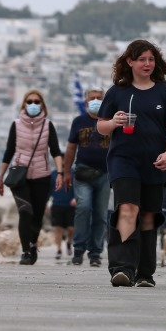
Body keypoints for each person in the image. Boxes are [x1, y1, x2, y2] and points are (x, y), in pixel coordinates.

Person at [98, 39, 166, 288]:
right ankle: (122, 268)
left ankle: (145, 273)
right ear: (130, 62)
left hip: (155, 162)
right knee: (127, 208)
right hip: (123, 160)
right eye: (142, 59)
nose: (147, 64)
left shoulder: (164, 91)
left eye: (151, 59)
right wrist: (113, 122)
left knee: (148, 215)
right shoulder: (117, 91)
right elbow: (101, 126)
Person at [0, 89, 65, 265]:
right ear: (24, 105)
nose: (33, 105)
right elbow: (8, 151)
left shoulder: (48, 125)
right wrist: (0, 177)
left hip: (42, 175)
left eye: (37, 101)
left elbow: (56, 151)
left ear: (42, 105)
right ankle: (26, 250)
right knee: (25, 211)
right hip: (19, 175)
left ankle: (33, 244)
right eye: (29, 101)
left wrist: (59, 172)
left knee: (37, 215)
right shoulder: (16, 124)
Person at [62, 88, 110, 267]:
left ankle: (95, 253)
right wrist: (66, 172)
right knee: (83, 208)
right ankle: (79, 250)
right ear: (86, 103)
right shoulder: (79, 121)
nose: (96, 101)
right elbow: (70, 148)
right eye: (92, 98)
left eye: (99, 98)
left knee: (101, 215)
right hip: (82, 172)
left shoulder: (110, 122)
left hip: (105, 174)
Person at [49, 170, 74, 260]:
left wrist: (76, 198)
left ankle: (69, 242)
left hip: (71, 205)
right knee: (58, 228)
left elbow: (78, 187)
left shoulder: (73, 173)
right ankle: (59, 249)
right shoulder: (53, 174)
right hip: (57, 204)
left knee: (71, 228)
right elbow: (49, 188)